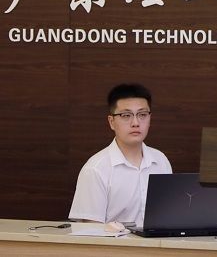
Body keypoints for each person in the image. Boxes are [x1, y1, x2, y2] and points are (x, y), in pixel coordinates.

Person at [69, 83, 172, 225]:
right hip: (114, 240)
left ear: (150, 118)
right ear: (111, 122)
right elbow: (90, 230)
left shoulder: (161, 161)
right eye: (126, 115)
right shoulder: (95, 169)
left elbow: (168, 216)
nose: (135, 123)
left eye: (142, 115)